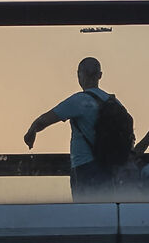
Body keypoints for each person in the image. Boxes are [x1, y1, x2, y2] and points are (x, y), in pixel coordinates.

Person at [23, 58, 133, 199]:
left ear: (79, 74)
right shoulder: (114, 102)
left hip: (84, 166)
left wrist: (31, 131)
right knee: (104, 213)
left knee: (84, 213)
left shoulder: (79, 101)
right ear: (100, 75)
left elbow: (44, 120)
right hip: (109, 169)